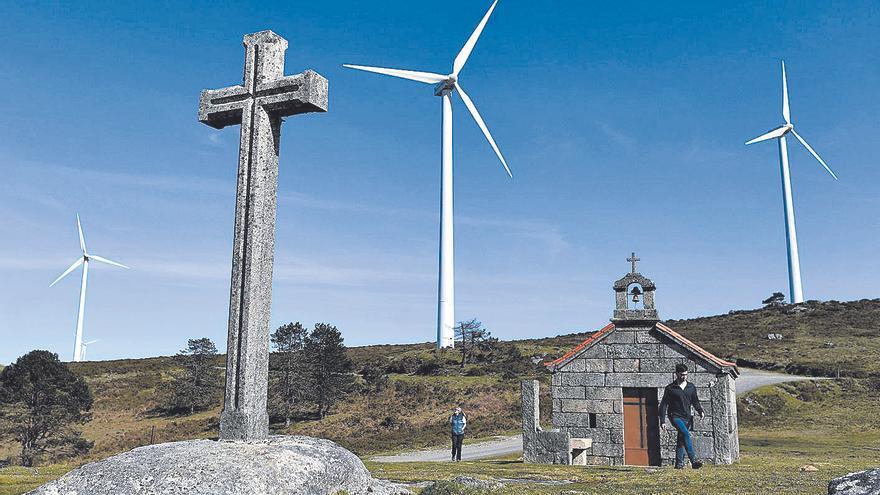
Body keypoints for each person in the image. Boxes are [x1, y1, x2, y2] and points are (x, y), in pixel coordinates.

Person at [659, 363, 704, 469]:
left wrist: (700, 411)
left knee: (681, 439)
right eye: (682, 374)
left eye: (686, 374)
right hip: (675, 416)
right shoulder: (670, 388)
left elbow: (695, 401)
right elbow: (664, 404)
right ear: (677, 374)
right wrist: (662, 421)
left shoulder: (691, 387)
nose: (684, 377)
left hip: (687, 417)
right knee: (686, 434)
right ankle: (693, 460)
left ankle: (679, 464)